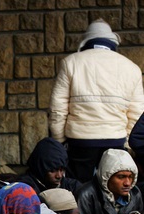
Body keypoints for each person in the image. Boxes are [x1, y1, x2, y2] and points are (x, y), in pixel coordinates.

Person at [49, 18, 144, 182]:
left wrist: (59, 141)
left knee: (78, 188)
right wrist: (126, 144)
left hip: (80, 141)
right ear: (112, 41)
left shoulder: (70, 62)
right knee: (112, 187)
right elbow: (137, 113)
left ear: (86, 40)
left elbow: (58, 109)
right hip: (116, 140)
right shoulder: (132, 68)